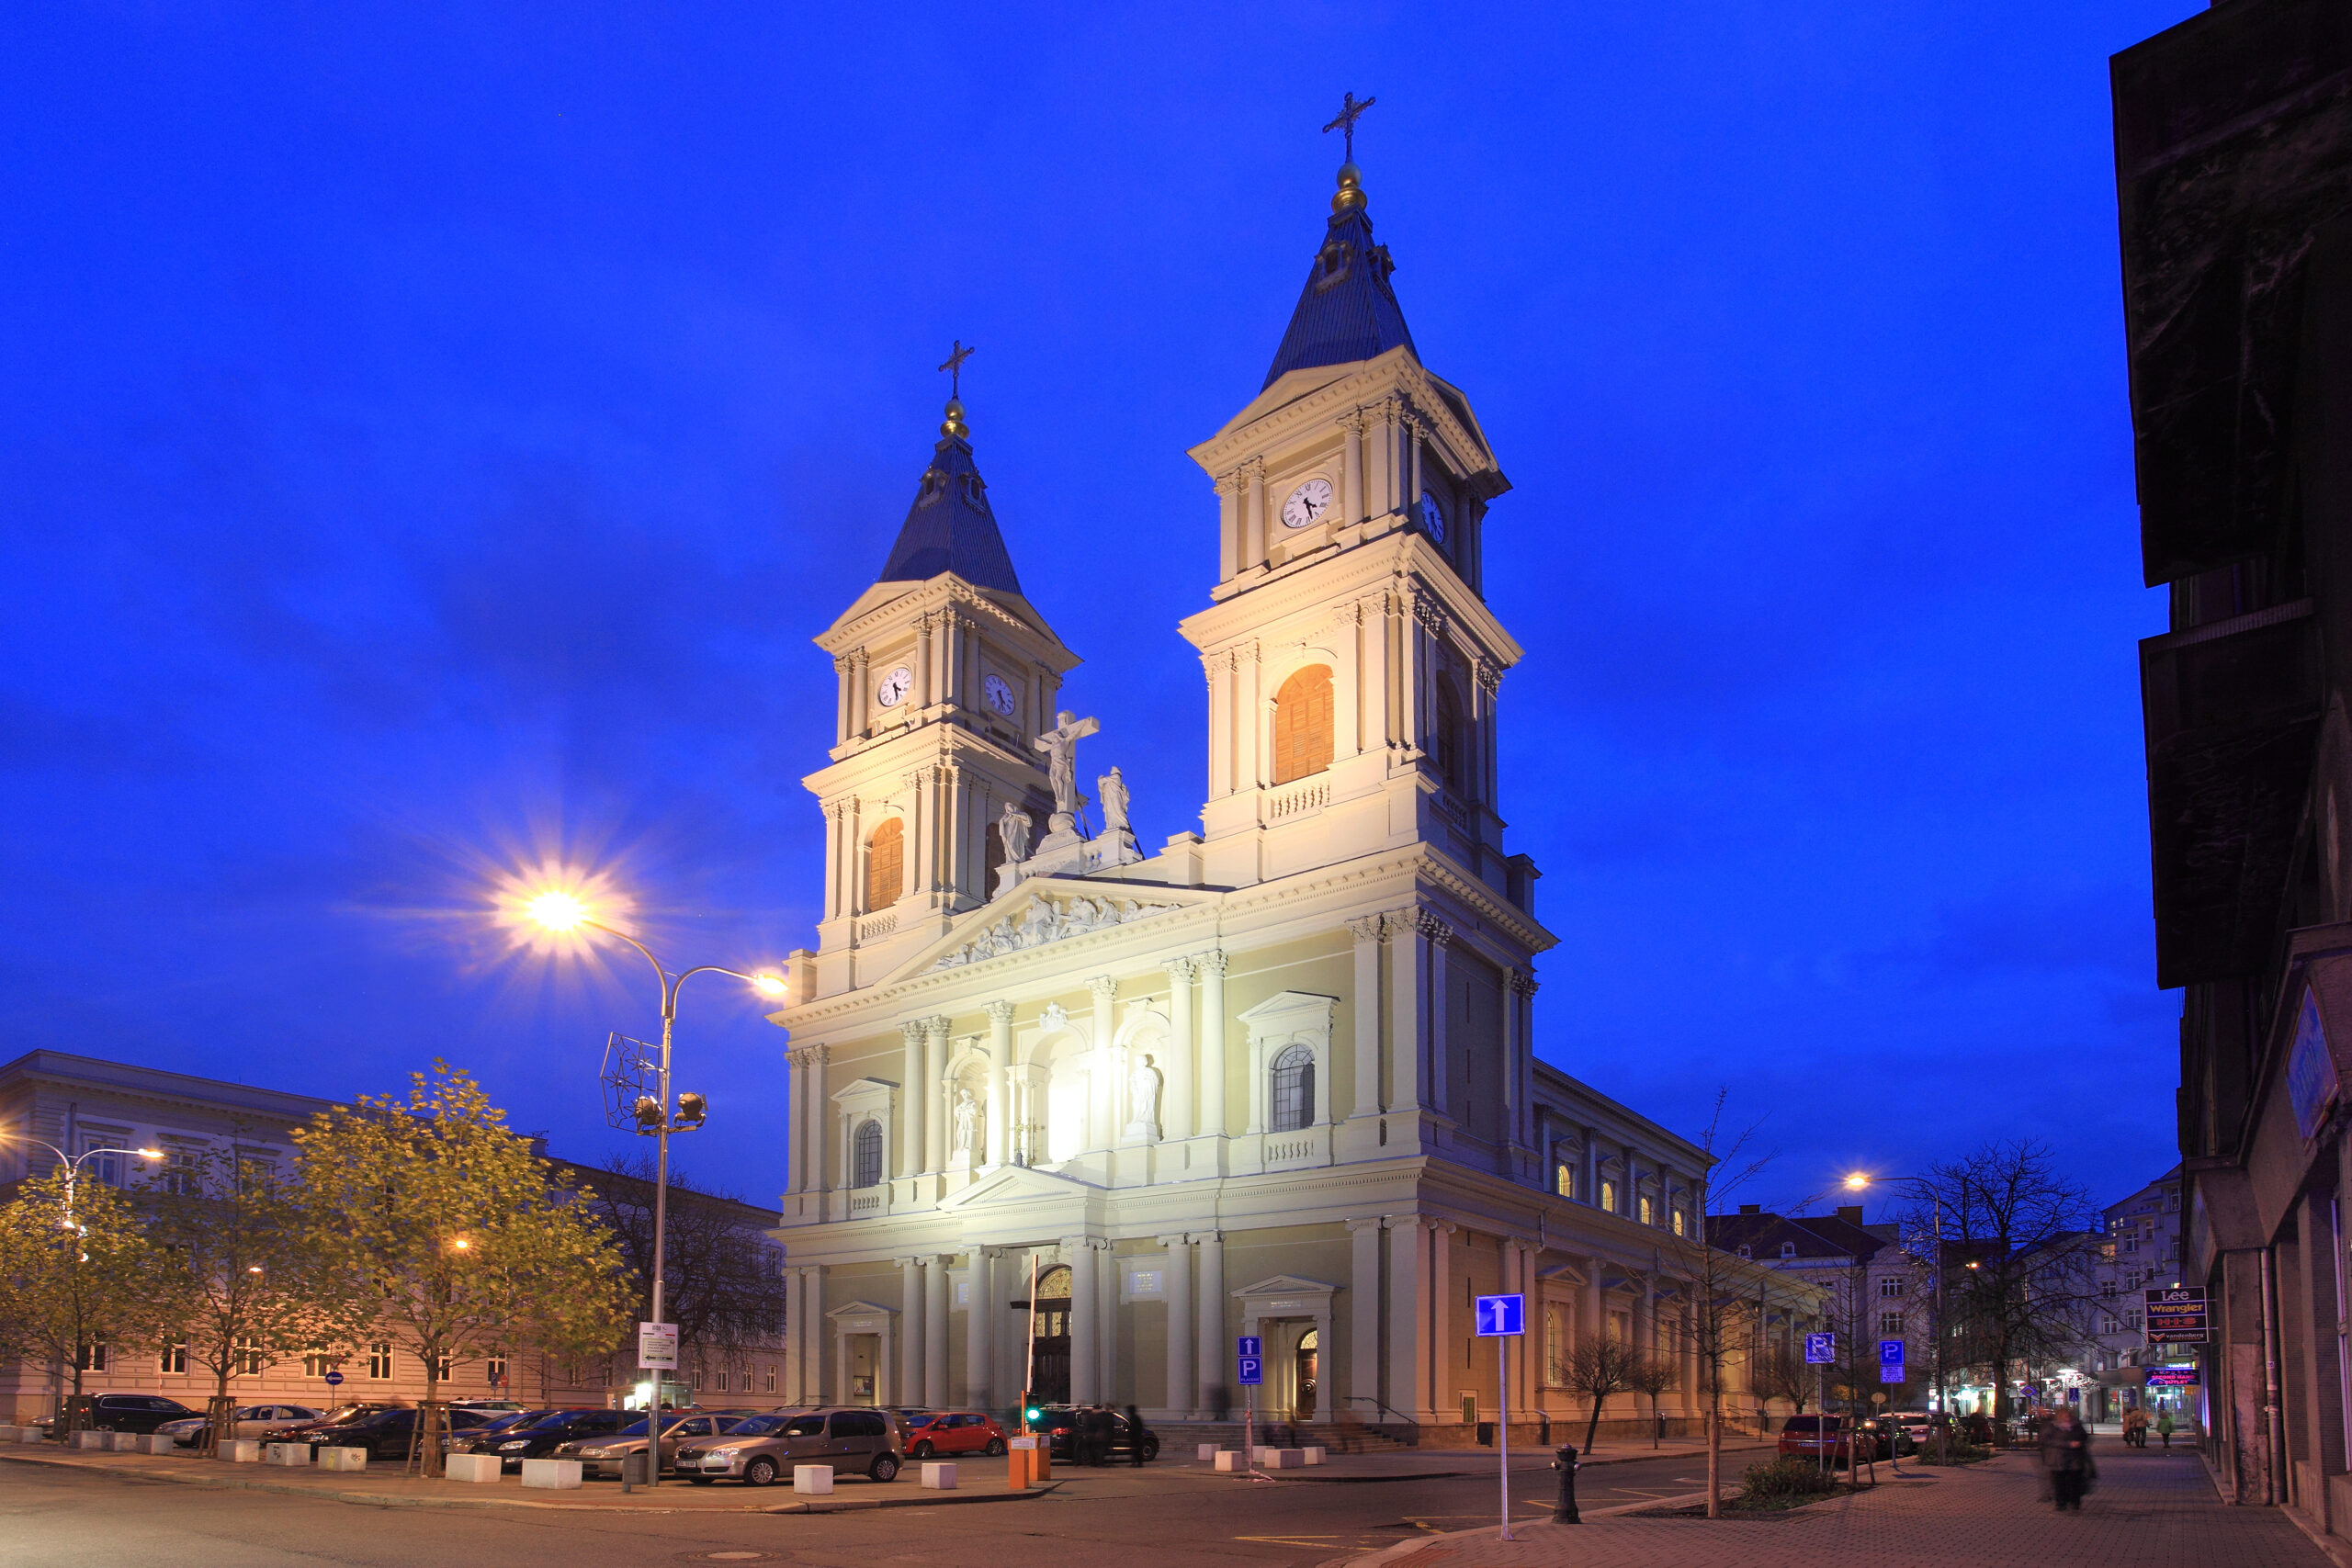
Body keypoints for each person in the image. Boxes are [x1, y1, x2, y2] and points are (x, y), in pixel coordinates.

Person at [2041, 1405, 2096, 1511]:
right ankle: (2061, 1503)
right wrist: (2067, 1444)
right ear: (2059, 1416)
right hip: (2058, 1459)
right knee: (2059, 1482)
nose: (2066, 1418)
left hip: (2075, 1458)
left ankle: (2075, 1502)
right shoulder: (2052, 1427)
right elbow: (2046, 1440)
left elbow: (2085, 1437)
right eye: (2064, 1416)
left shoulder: (2076, 1425)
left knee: (2075, 1482)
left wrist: (2080, 1443)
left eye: (2068, 1416)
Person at [1125, 1404, 1147, 1468]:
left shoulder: (1134, 1418)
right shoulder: (1134, 1417)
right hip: (1135, 1437)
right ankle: (1136, 1463)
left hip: (1136, 1437)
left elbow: (1136, 1428)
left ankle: (1138, 1463)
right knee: (1135, 1451)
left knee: (1136, 1451)